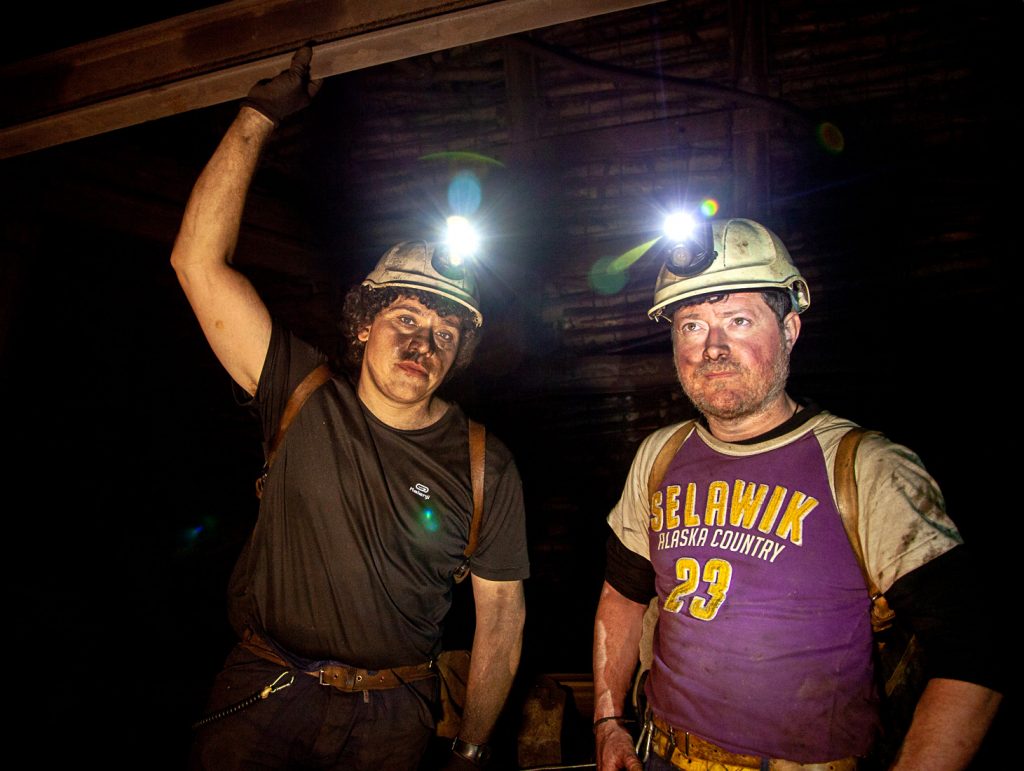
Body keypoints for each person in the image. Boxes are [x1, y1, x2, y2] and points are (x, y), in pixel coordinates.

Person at [171, 45, 528, 770]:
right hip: (267, 689)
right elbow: (197, 262)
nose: (422, 342)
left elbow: (501, 620)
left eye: (444, 334)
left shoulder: (485, 463)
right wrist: (258, 116)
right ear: (364, 322)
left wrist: (468, 747)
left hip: (394, 716)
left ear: (458, 354)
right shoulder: (298, 392)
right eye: (404, 319)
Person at [591, 217, 1003, 770]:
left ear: (789, 330)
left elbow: (975, 654)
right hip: (661, 755)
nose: (713, 348)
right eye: (691, 326)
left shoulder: (867, 469)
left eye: (738, 320)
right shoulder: (660, 457)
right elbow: (622, 594)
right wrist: (608, 720)